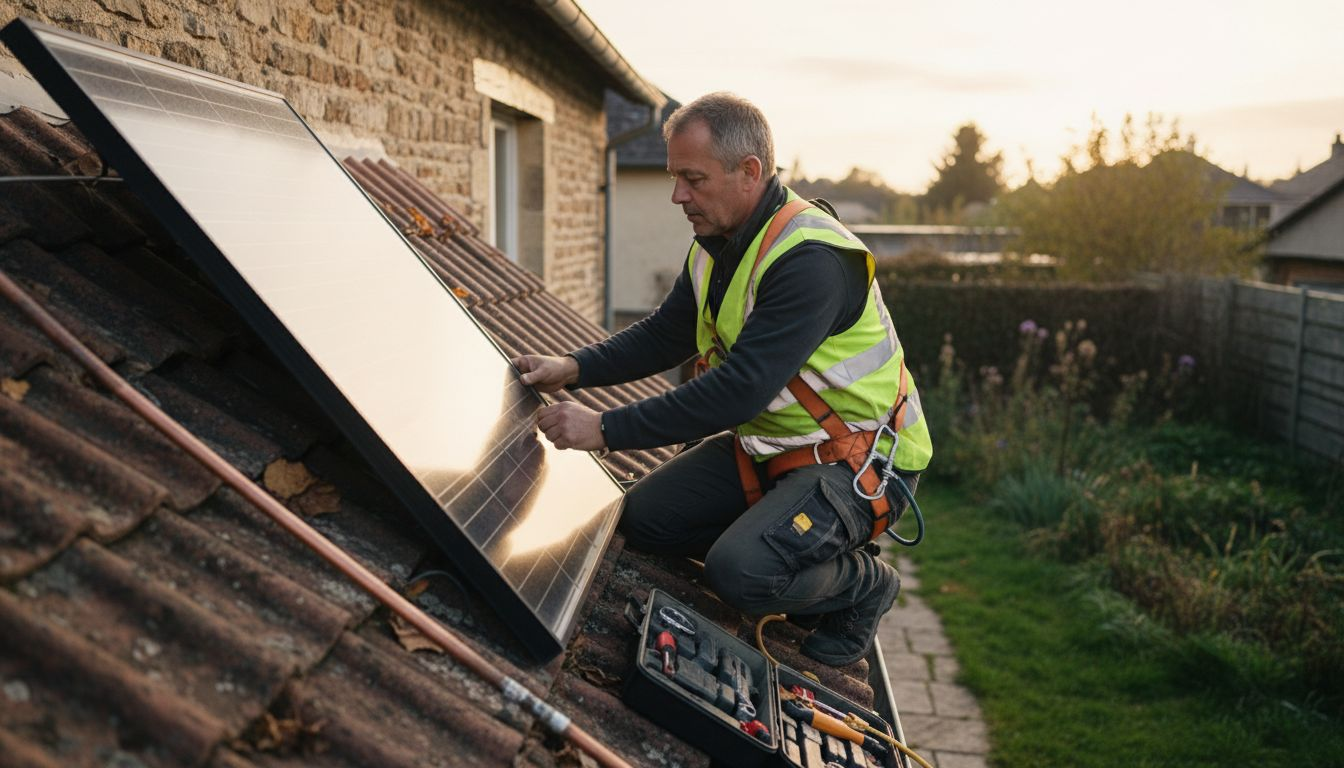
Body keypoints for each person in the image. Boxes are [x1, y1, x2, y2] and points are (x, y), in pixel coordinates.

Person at [514, 92, 932, 667]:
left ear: (749, 172)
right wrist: (575, 368)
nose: (677, 195)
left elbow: (740, 389)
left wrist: (605, 428)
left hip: (857, 462)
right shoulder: (716, 246)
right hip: (777, 449)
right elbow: (666, 335)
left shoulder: (812, 260)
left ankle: (863, 585)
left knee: (739, 572)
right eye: (674, 177)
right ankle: (785, 541)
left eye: (693, 178)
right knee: (645, 520)